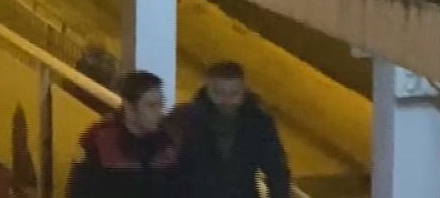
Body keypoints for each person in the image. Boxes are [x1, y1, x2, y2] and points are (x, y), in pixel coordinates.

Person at [169, 62, 290, 198]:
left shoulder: (259, 123)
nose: (226, 100)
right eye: (218, 93)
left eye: (234, 93)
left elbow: (276, 170)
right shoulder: (183, 119)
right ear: (207, 87)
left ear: (244, 89)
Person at [66, 70, 182, 198]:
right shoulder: (99, 141)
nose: (159, 112)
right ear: (129, 107)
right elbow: (78, 191)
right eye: (151, 105)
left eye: (161, 104)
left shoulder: (167, 142)